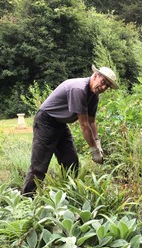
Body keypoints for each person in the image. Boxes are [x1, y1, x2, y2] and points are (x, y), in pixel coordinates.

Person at [22, 65, 119, 196]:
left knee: (71, 162)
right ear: (96, 76)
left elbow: (92, 122)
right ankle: (27, 199)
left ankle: (67, 195)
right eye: (103, 83)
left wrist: (98, 143)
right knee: (39, 165)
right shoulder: (79, 89)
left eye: (107, 86)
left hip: (60, 124)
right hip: (46, 122)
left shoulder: (94, 96)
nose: (103, 88)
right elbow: (84, 125)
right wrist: (94, 150)